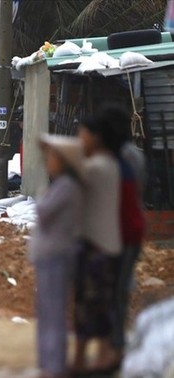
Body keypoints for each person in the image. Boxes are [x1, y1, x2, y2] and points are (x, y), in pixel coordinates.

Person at [29, 134, 85, 378]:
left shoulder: (67, 187)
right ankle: (48, 362)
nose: (47, 161)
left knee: (53, 311)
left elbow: (44, 212)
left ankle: (54, 365)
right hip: (51, 256)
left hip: (57, 256)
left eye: (52, 157)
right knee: (47, 311)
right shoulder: (62, 185)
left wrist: (42, 195)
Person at [72, 115, 122, 375]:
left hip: (96, 247)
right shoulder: (108, 164)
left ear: (96, 137)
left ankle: (98, 355)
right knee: (95, 302)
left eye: (83, 135)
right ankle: (89, 355)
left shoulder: (97, 167)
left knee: (91, 303)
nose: (80, 140)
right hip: (102, 244)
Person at [99, 104, 146, 366]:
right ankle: (116, 341)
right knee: (119, 288)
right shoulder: (135, 156)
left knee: (112, 290)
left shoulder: (115, 160)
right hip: (131, 230)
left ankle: (115, 346)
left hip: (119, 232)